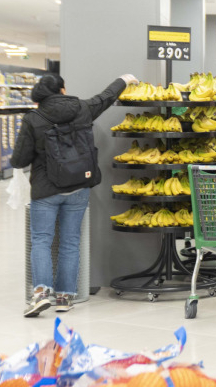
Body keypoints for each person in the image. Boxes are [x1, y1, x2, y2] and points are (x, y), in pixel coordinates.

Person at [16, 72, 138, 317]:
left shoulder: (33, 118)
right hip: (78, 186)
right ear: (62, 90)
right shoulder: (82, 108)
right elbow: (105, 97)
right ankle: (64, 297)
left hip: (45, 189)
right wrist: (124, 80)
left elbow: (19, 159)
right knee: (70, 242)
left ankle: (40, 293)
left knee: (41, 240)